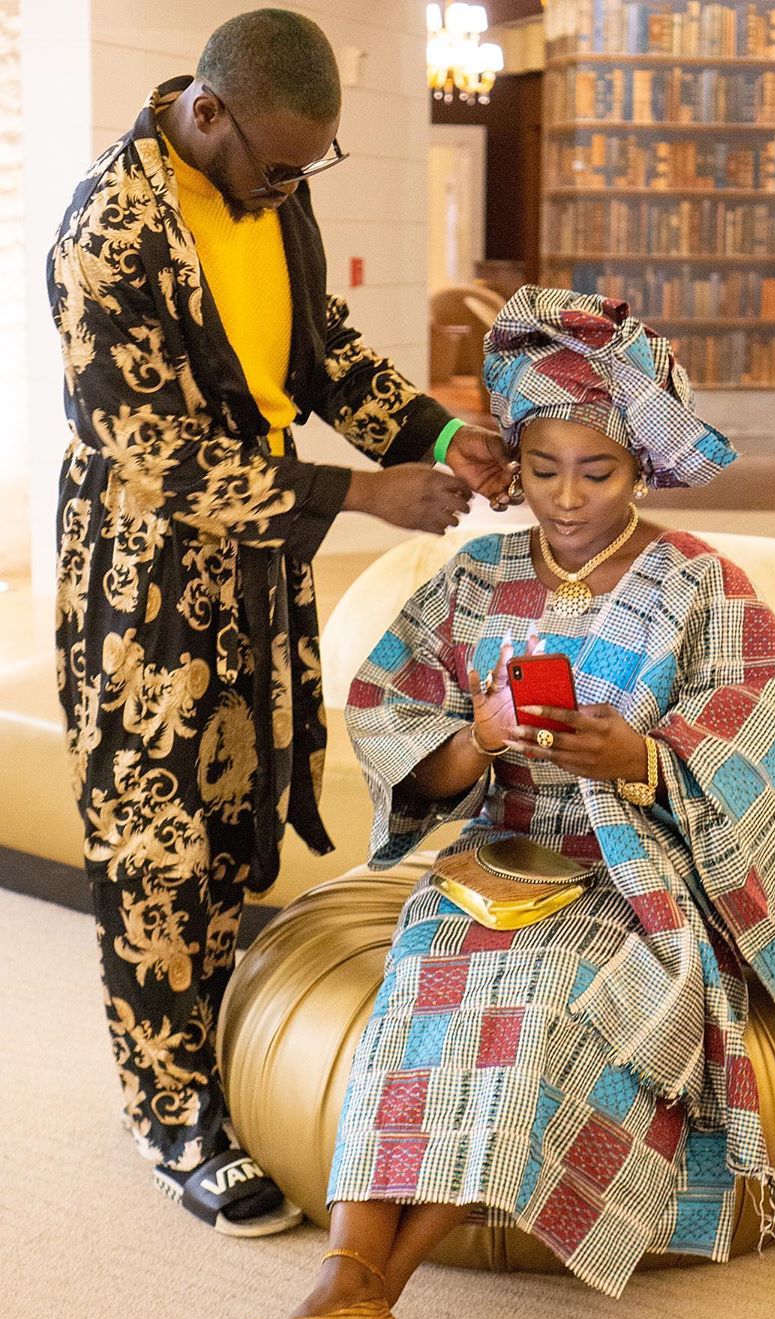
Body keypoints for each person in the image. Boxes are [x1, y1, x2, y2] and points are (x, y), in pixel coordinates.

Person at [220, 287, 775, 1319]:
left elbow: (760, 751)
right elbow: (396, 729)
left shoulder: (704, 587)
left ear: (644, 467)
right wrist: (480, 736)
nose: (567, 498)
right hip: (500, 866)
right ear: (513, 463)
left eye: (598, 470)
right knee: (423, 995)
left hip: (649, 878)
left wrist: (642, 759)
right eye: (542, 469)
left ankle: (360, 1298)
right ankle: (343, 1286)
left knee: (540, 1021)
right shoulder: (473, 579)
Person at [46, 8, 513, 1236]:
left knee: (232, 806)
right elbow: (153, 456)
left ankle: (211, 1060)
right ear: (207, 114)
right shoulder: (108, 231)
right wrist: (364, 494)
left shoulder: (270, 188)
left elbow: (325, 358)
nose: (293, 187)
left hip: (254, 563)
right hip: (144, 577)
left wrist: (442, 434)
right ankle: (168, 1113)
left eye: (310, 167)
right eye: (280, 166)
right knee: (156, 839)